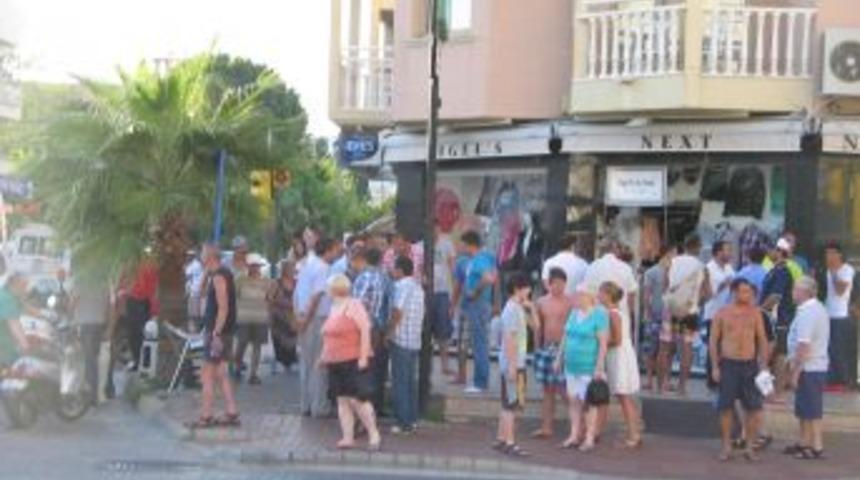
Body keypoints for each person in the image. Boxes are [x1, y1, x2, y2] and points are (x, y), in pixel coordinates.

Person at [709, 278, 769, 462]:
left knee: (754, 408)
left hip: (750, 365)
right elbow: (713, 341)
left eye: (749, 292)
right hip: (729, 364)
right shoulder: (722, 313)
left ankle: (749, 447)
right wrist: (715, 367)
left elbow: (762, 340)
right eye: (744, 291)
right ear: (734, 292)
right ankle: (726, 446)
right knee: (725, 407)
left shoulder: (755, 313)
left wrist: (763, 366)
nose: (747, 295)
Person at [319, 274, 381, 451]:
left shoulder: (354, 305)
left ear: (334, 289)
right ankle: (347, 437)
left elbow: (365, 330)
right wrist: (323, 357)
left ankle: (374, 434)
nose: (326, 290)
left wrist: (363, 357)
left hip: (353, 360)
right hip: (335, 361)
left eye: (328, 287)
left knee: (358, 400)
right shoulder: (333, 307)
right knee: (342, 400)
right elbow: (328, 337)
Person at [187, 244, 240, 429]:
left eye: (203, 253)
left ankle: (206, 415)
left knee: (207, 373)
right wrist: (205, 273)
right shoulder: (217, 274)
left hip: (218, 332)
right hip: (222, 331)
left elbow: (223, 307)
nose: (200, 256)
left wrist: (216, 333)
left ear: (209, 256)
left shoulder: (219, 276)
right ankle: (232, 411)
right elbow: (200, 292)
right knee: (221, 372)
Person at [555, 286, 609, 453]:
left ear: (589, 297)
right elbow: (565, 336)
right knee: (573, 400)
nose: (575, 298)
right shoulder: (574, 313)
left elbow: (603, 343)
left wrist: (599, 366)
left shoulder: (599, 315)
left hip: (588, 366)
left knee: (589, 403)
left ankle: (589, 437)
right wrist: (559, 358)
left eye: (579, 295)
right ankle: (574, 435)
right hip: (571, 365)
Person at [295, 237, 342, 418]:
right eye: (336, 250)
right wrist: (307, 320)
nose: (337, 253)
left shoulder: (307, 265)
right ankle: (319, 406)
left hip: (305, 316)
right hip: (316, 319)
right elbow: (316, 297)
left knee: (306, 363)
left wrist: (300, 318)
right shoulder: (323, 268)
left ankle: (306, 404)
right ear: (328, 250)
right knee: (319, 363)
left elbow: (298, 293)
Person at [786, 276, 830, 460]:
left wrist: (795, 372)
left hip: (809, 367)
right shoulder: (815, 308)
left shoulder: (808, 313)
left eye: (795, 289)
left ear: (803, 292)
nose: (792, 292)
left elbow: (804, 345)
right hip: (813, 366)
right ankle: (804, 442)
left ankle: (816, 445)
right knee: (805, 408)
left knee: (811, 408)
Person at [492, 273, 534, 457]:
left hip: (515, 361)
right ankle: (510, 442)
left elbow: (535, 326)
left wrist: (531, 308)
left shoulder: (517, 308)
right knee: (511, 404)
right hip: (514, 362)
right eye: (527, 287)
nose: (529, 291)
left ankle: (502, 438)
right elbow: (510, 338)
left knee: (508, 403)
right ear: (518, 289)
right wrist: (512, 365)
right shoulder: (512, 309)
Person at [599, 281, 643, 449]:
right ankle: (634, 432)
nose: (599, 296)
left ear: (608, 295)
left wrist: (601, 342)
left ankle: (634, 434)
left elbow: (616, 340)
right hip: (622, 354)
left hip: (619, 356)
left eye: (601, 293)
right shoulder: (618, 312)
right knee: (624, 397)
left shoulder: (613, 314)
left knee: (624, 397)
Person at [531, 267, 572, 439]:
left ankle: (579, 426)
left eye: (562, 284)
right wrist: (536, 348)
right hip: (546, 347)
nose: (559, 287)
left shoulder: (569, 302)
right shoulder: (541, 302)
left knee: (564, 389)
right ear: (549, 284)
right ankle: (546, 427)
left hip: (563, 347)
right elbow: (537, 328)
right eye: (556, 284)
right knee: (547, 389)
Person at [351, 247, 392, 416]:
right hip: (377, 327)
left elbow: (358, 304)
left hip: (363, 327)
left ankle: (361, 409)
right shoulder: (384, 278)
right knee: (375, 368)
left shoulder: (364, 277)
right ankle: (374, 406)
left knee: (361, 368)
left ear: (365, 259)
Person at [388, 256, 425, 435]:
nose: (392, 271)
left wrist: (389, 332)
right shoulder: (418, 287)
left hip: (402, 339)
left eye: (394, 268)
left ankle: (403, 423)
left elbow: (397, 310)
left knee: (400, 382)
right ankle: (412, 418)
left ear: (400, 270)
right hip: (414, 340)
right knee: (410, 382)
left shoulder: (401, 286)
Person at [665, 235, 706, 395]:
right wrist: (698, 303)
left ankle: (665, 382)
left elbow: (666, 284)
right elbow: (704, 290)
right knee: (686, 347)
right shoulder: (700, 265)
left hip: (672, 308)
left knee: (667, 346)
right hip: (689, 310)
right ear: (697, 247)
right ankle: (682, 386)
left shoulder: (673, 261)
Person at [460, 231, 498, 394]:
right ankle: (480, 380)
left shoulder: (479, 259)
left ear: (470, 244)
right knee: (480, 342)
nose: (461, 248)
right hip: (480, 303)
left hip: (478, 304)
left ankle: (480, 382)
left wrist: (475, 292)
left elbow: (489, 278)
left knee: (479, 343)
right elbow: (494, 275)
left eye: (463, 244)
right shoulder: (485, 257)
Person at [70, 276, 113, 406]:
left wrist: (69, 315)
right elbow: (109, 306)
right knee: (93, 361)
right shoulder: (104, 282)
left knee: (87, 362)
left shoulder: (81, 280)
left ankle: (90, 397)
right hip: (99, 325)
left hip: (85, 325)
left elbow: (72, 303)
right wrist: (109, 327)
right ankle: (96, 395)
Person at [762, 238, 795, 393]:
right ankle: (770, 392)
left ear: (779, 251)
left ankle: (777, 392)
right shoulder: (775, 270)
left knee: (778, 357)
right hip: (773, 320)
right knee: (772, 357)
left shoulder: (782, 272)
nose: (768, 253)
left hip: (778, 321)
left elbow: (776, 296)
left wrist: (759, 311)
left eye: (770, 250)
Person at [233, 254, 272, 385]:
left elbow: (269, 298)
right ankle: (237, 365)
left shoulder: (265, 280)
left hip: (260, 317)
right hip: (244, 316)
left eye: (257, 265)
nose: (255, 268)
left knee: (257, 345)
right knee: (242, 343)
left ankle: (253, 374)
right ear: (248, 266)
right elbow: (234, 296)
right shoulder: (240, 279)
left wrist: (269, 314)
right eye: (252, 265)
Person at [824, 242, 857, 390]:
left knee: (838, 349)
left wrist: (833, 272)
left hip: (840, 314)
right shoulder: (828, 270)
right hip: (828, 313)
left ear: (839, 255)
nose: (829, 256)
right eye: (827, 253)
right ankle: (832, 380)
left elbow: (840, 291)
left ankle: (842, 381)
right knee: (829, 349)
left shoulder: (846, 270)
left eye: (832, 253)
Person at [642, 246, 675, 391]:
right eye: (673, 253)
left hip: (668, 314)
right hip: (656, 314)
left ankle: (664, 380)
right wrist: (647, 312)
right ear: (666, 254)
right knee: (652, 348)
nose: (675, 257)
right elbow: (646, 294)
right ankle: (650, 379)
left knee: (668, 349)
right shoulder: (652, 272)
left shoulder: (675, 271)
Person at [704, 241, 736, 388]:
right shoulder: (709, 268)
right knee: (714, 346)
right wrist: (723, 285)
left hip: (729, 313)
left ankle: (724, 378)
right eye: (727, 250)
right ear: (718, 252)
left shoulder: (729, 268)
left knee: (726, 347)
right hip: (713, 313)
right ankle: (712, 380)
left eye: (730, 250)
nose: (730, 253)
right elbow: (708, 293)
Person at [582, 238, 639, 321]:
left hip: (597, 317)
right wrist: (630, 314)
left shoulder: (592, 267)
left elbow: (586, 294)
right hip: (621, 315)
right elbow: (631, 295)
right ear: (615, 250)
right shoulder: (625, 268)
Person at [124, 256, 159, 371]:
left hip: (142, 302)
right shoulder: (130, 266)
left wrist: (154, 309)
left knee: (141, 334)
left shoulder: (146, 266)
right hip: (135, 302)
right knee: (134, 334)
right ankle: (139, 361)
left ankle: (144, 362)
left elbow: (153, 289)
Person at [432, 229, 457, 376]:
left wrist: (454, 296)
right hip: (427, 292)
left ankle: (445, 365)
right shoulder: (421, 245)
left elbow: (453, 269)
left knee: (444, 331)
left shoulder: (447, 244)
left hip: (443, 292)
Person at [268, 260, 298, 372]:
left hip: (291, 316)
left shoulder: (296, 282)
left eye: (293, 268)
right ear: (284, 270)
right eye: (290, 268)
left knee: (291, 338)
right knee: (279, 339)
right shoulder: (276, 282)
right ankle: (279, 361)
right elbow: (269, 298)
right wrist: (281, 302)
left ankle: (289, 362)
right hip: (278, 316)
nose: (292, 270)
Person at [0, 273, 31, 373]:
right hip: (3, 347)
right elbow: (14, 325)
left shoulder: (9, 294)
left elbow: (26, 308)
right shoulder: (6, 299)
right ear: (14, 284)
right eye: (23, 285)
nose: (25, 289)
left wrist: (46, 314)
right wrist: (26, 346)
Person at [185, 249, 205, 332]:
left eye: (189, 256)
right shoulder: (199, 265)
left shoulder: (193, 265)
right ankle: (195, 329)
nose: (187, 257)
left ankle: (194, 330)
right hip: (198, 291)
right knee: (197, 313)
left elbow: (188, 278)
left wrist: (187, 292)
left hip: (194, 292)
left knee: (193, 313)